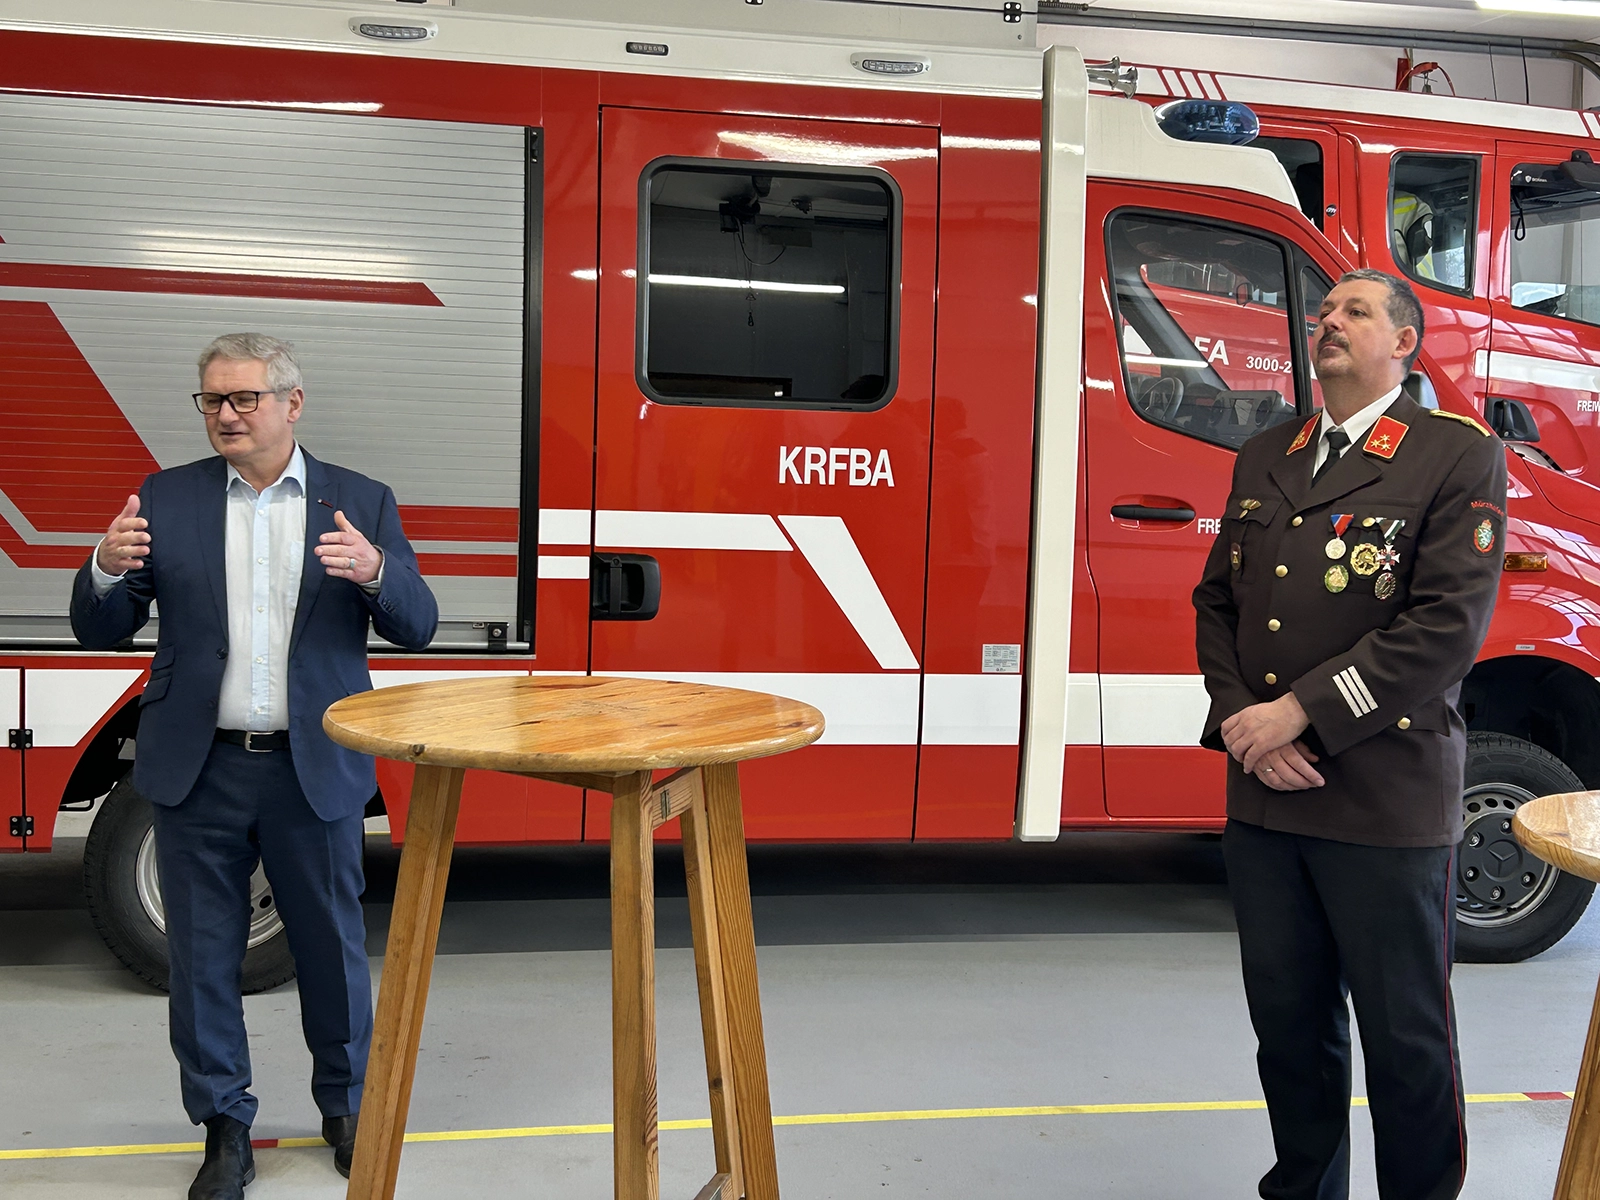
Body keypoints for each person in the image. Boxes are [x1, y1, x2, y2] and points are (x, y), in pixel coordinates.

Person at [70, 334, 438, 1200]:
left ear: (290, 403)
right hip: (200, 768)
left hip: (315, 766)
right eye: (210, 401)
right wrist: (102, 568)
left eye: (241, 399)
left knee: (331, 946)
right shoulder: (166, 499)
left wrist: (379, 571)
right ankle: (225, 1127)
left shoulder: (360, 501)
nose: (224, 416)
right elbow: (101, 627)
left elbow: (417, 623)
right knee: (202, 958)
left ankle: (346, 1109)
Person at [1192, 269, 1505, 1200]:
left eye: (1354, 312)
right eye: (1324, 312)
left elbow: (1445, 627)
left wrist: (1302, 717)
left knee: (1405, 1036)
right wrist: (1244, 726)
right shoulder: (1267, 452)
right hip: (1265, 800)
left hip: (1383, 799)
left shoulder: (1454, 456)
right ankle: (1304, 1190)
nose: (1327, 323)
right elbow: (1218, 602)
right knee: (1288, 1028)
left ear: (1403, 343)